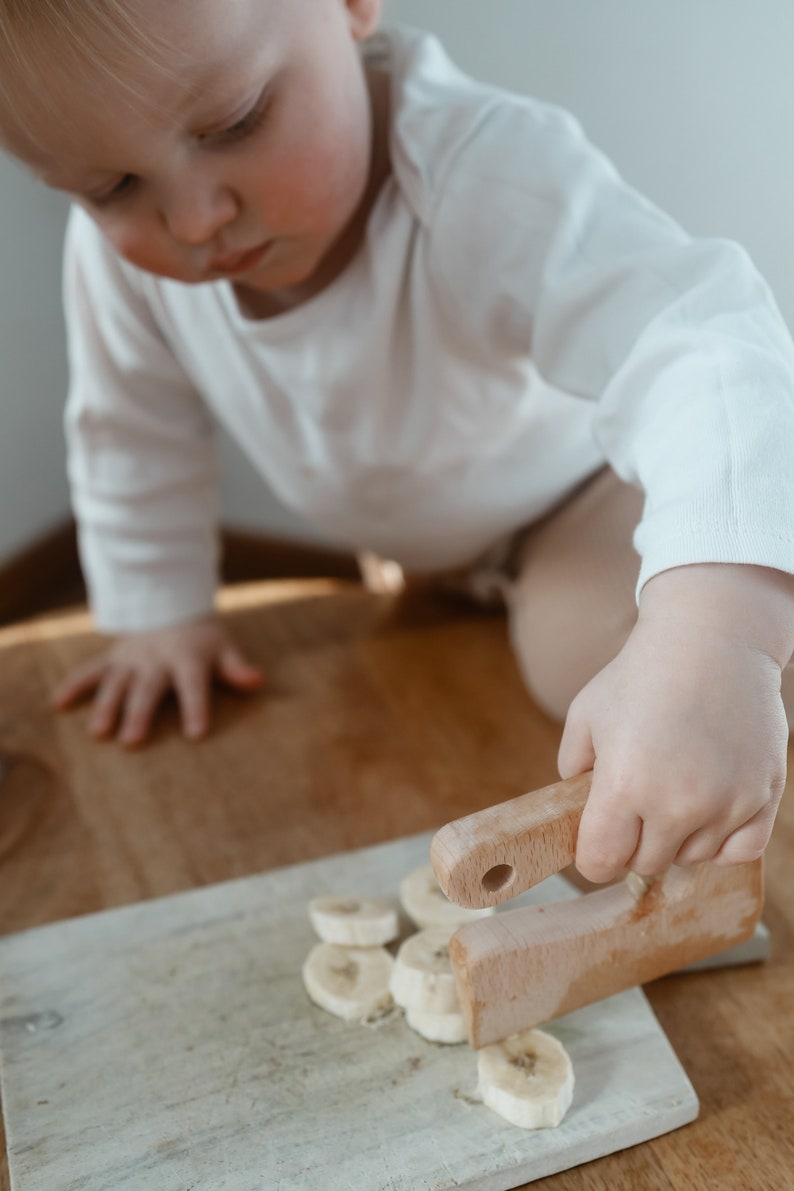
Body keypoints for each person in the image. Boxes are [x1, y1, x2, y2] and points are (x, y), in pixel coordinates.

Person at [1, 0, 793, 886]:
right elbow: (131, 426)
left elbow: (699, 338)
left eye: (235, 122)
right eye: (111, 189)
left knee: (607, 673)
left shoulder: (478, 169)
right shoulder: (118, 264)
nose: (193, 218)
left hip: (581, 496)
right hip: (423, 548)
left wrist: (717, 631)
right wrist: (157, 614)